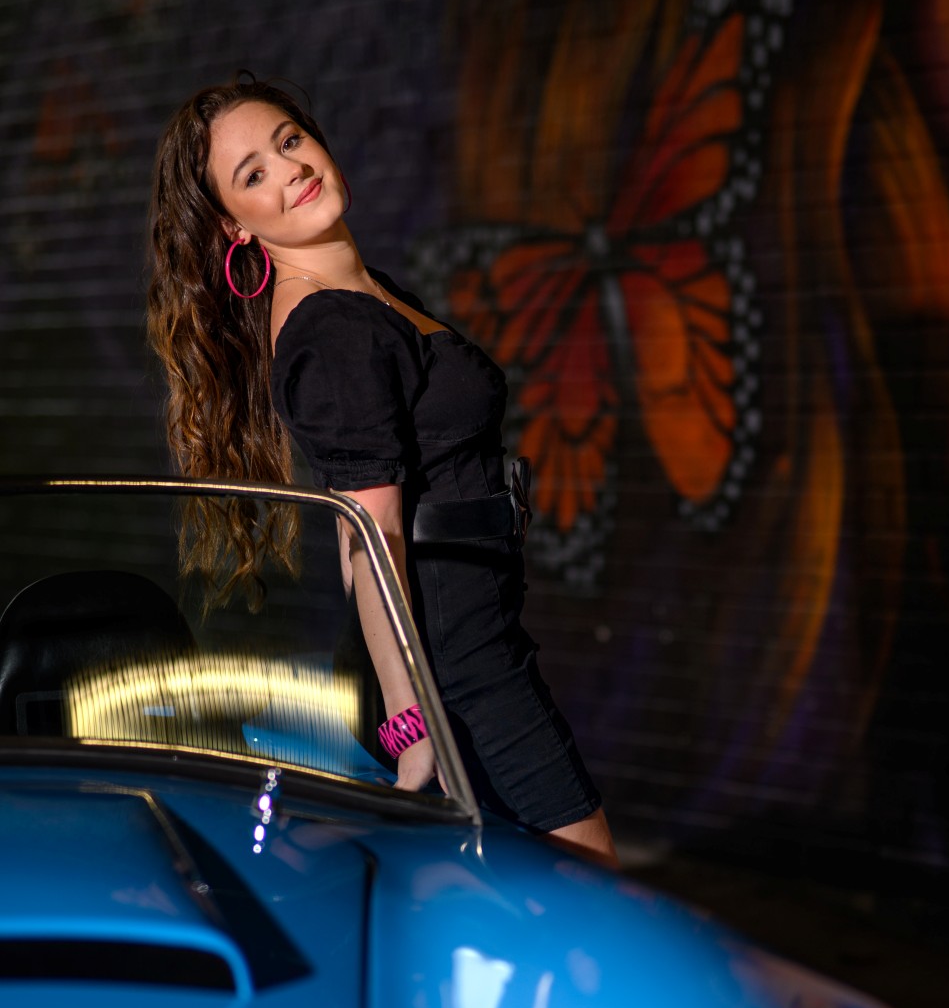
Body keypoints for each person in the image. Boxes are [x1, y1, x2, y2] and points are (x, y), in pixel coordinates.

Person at [147, 77, 617, 866]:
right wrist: (412, 722)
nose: (290, 169)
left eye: (290, 140)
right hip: (457, 669)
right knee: (591, 888)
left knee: (523, 898)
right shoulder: (332, 329)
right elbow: (368, 537)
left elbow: (361, 518)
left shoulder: (365, 296)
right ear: (235, 225)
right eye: (254, 173)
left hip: (475, 641)